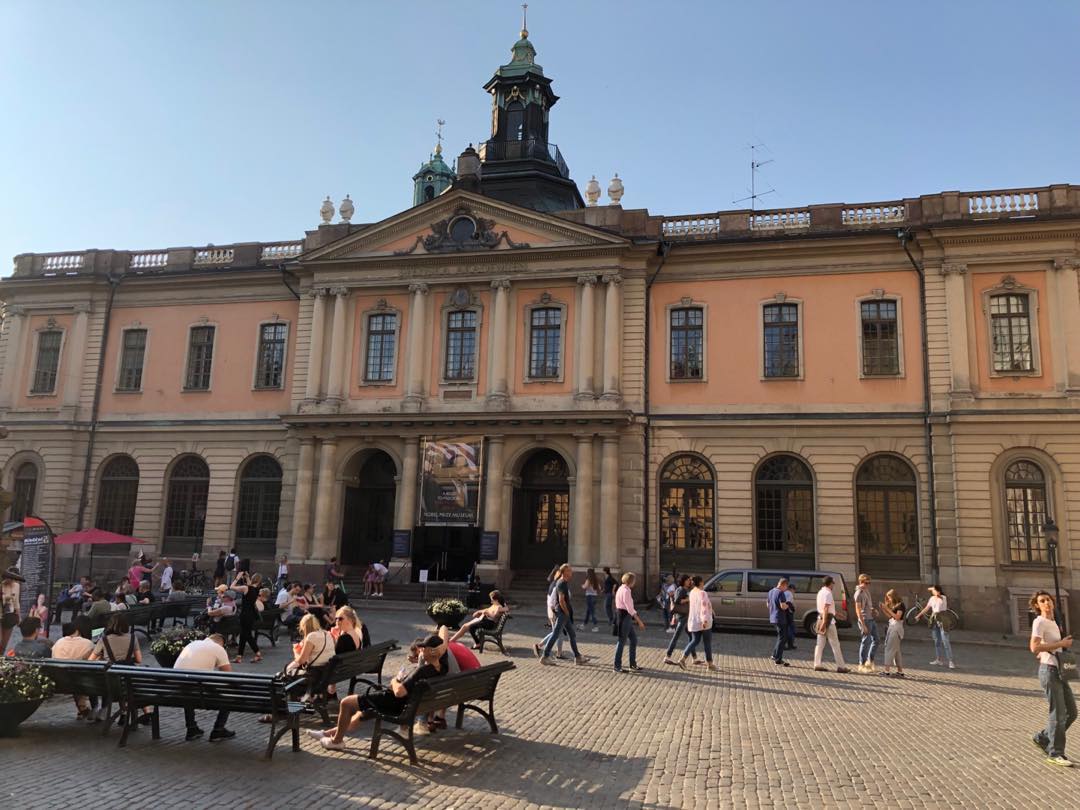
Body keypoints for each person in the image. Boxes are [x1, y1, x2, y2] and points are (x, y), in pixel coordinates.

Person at [308, 634, 449, 750]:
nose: (421, 650)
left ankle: (336, 742)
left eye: (424, 648)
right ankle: (327, 734)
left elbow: (399, 692)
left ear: (432, 651)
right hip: (408, 704)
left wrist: (394, 681)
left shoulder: (421, 671)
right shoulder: (443, 668)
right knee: (360, 713)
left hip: (395, 704)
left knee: (346, 703)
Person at [1029, 590, 1076, 767]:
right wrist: (1061, 644)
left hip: (1060, 670)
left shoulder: (1054, 621)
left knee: (1072, 712)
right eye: (1042, 601)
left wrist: (1058, 645)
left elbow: (1044, 647)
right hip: (1049, 671)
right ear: (1037, 605)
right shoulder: (1039, 621)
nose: (1046, 603)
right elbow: (1034, 647)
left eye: (1048, 599)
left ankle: (1043, 737)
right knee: (1059, 714)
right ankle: (1055, 753)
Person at [174, 633, 235, 742]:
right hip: (199, 692)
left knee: (188, 689)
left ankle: (192, 729)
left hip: (176, 690)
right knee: (229, 695)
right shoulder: (218, 648)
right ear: (221, 643)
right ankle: (218, 729)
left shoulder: (192, 644)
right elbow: (229, 677)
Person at [537, 563, 588, 666]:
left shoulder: (563, 582)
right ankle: (545, 656)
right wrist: (566, 611)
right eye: (569, 571)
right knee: (555, 634)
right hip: (562, 613)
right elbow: (561, 600)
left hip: (564, 614)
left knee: (572, 635)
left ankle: (577, 657)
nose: (571, 572)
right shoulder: (561, 583)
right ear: (564, 572)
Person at [51, 620, 96, 720]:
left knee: (73, 675)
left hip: (60, 681)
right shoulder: (88, 644)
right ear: (77, 630)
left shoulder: (58, 643)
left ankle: (82, 707)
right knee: (80, 675)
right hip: (82, 683)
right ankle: (87, 707)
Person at [676, 575, 716, 671]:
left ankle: (682, 659)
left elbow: (698, 606)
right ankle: (710, 664)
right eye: (703, 581)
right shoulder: (703, 593)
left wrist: (711, 609)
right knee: (707, 642)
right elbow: (703, 607)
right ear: (701, 582)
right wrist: (705, 620)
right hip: (704, 621)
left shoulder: (692, 592)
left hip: (694, 621)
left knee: (695, 640)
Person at [813, 576, 850, 673]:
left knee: (819, 644)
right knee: (835, 644)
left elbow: (826, 609)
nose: (834, 584)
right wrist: (825, 622)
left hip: (820, 618)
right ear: (830, 583)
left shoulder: (820, 592)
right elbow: (826, 608)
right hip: (828, 621)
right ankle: (841, 666)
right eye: (833, 583)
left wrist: (836, 614)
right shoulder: (828, 593)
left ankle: (817, 664)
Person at [916, 584, 956, 669]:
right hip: (934, 619)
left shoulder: (943, 597)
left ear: (938, 591)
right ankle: (938, 659)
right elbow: (926, 608)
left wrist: (936, 591)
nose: (932, 592)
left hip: (942, 619)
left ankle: (951, 661)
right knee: (937, 641)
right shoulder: (932, 598)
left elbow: (940, 597)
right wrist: (919, 615)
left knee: (945, 641)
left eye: (934, 591)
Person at [614, 572, 645, 673]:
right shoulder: (626, 591)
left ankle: (632, 664)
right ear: (631, 581)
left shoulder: (621, 588)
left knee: (633, 640)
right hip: (625, 617)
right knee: (621, 641)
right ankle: (617, 666)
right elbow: (630, 609)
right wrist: (639, 621)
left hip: (624, 617)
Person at [231, 572, 263, 664]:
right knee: (243, 635)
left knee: (247, 635)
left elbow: (232, 587)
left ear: (253, 579)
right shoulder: (257, 589)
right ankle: (239, 656)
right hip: (251, 615)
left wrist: (237, 578)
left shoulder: (246, 588)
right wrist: (247, 577)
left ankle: (257, 653)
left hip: (245, 614)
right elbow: (250, 587)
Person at [663, 575, 694, 665]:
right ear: (683, 581)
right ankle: (667, 656)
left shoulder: (684, 589)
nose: (689, 582)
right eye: (687, 580)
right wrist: (688, 599)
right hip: (682, 616)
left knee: (692, 637)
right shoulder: (681, 590)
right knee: (676, 636)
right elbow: (678, 601)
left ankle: (695, 658)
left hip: (685, 616)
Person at [854, 573, 878, 673]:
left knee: (876, 640)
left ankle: (870, 661)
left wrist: (873, 610)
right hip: (865, 620)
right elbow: (858, 610)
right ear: (861, 582)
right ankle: (862, 664)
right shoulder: (858, 593)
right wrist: (863, 625)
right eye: (866, 583)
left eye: (869, 583)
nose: (868, 585)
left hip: (871, 618)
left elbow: (868, 605)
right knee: (865, 642)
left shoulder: (866, 591)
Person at [880, 589, 906, 677]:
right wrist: (884, 609)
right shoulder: (896, 605)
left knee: (889, 649)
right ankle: (900, 671)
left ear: (894, 597)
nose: (889, 599)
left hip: (896, 628)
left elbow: (897, 617)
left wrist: (887, 608)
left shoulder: (900, 605)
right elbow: (890, 616)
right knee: (896, 651)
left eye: (890, 597)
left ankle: (886, 671)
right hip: (893, 626)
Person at [768, 577, 792, 667]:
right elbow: (783, 606)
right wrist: (788, 605)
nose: (786, 589)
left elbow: (768, 604)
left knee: (780, 637)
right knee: (783, 638)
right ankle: (778, 660)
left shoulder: (771, 591)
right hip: (780, 618)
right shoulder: (781, 593)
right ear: (784, 585)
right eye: (786, 587)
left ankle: (774, 655)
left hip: (773, 617)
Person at [2, 568, 24, 654]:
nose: (12, 580)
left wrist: (19, 617)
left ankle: (1, 658)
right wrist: (5, 598)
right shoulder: (2, 585)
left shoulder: (16, 586)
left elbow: (16, 602)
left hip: (9, 615)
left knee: (4, 643)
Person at [784, 585, 797, 650]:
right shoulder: (789, 593)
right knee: (790, 629)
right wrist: (792, 609)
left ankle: (789, 644)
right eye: (794, 590)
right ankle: (790, 645)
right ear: (791, 589)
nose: (794, 592)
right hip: (788, 613)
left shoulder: (784, 593)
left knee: (787, 629)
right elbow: (788, 602)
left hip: (785, 613)